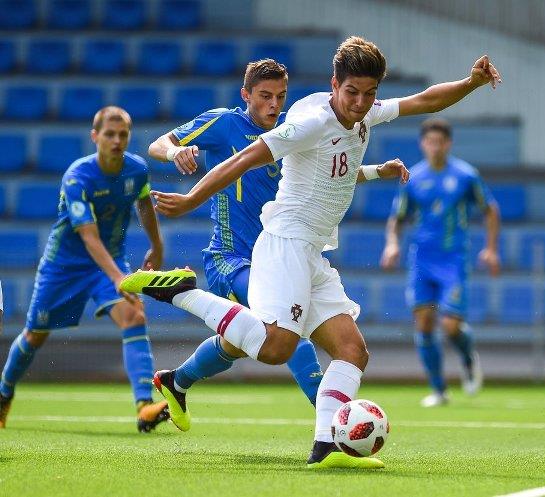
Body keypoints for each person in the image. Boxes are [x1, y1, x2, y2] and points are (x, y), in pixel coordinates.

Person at [121, 36, 501, 468]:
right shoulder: (310, 122)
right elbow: (244, 158)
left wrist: (470, 83)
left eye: (369, 93)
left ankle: (326, 448)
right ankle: (181, 293)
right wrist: (191, 198)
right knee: (277, 347)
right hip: (284, 243)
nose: (360, 103)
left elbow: (425, 100)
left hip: (312, 251)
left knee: (352, 351)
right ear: (334, 84)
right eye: (352, 92)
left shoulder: (363, 112)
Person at [146, 59, 324, 410]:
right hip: (230, 258)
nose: (274, 104)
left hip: (277, 258)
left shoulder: (289, 131)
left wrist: (375, 171)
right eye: (265, 96)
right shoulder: (225, 123)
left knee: (239, 343)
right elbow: (158, 144)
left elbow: (329, 171)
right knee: (289, 331)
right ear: (246, 95)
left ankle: (176, 381)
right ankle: (332, 420)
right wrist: (175, 151)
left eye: (281, 96)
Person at [0, 106, 169, 432]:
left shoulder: (137, 170)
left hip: (110, 261)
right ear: (95, 136)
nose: (117, 141)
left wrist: (157, 246)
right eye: (110, 134)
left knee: (134, 316)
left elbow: (144, 203)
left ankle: (144, 407)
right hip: (64, 267)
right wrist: (119, 278)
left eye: (123, 135)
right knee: (35, 335)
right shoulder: (78, 176)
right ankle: (4, 392)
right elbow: (89, 236)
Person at [380, 118, 500, 407]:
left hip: (453, 259)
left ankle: (468, 356)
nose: (435, 147)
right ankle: (439, 390)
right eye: (430, 142)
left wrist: (491, 249)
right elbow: (397, 218)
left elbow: (490, 209)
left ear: (449, 144)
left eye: (440, 142)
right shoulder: (413, 178)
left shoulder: (466, 175)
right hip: (422, 260)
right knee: (423, 323)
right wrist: (392, 244)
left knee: (450, 325)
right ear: (422, 144)